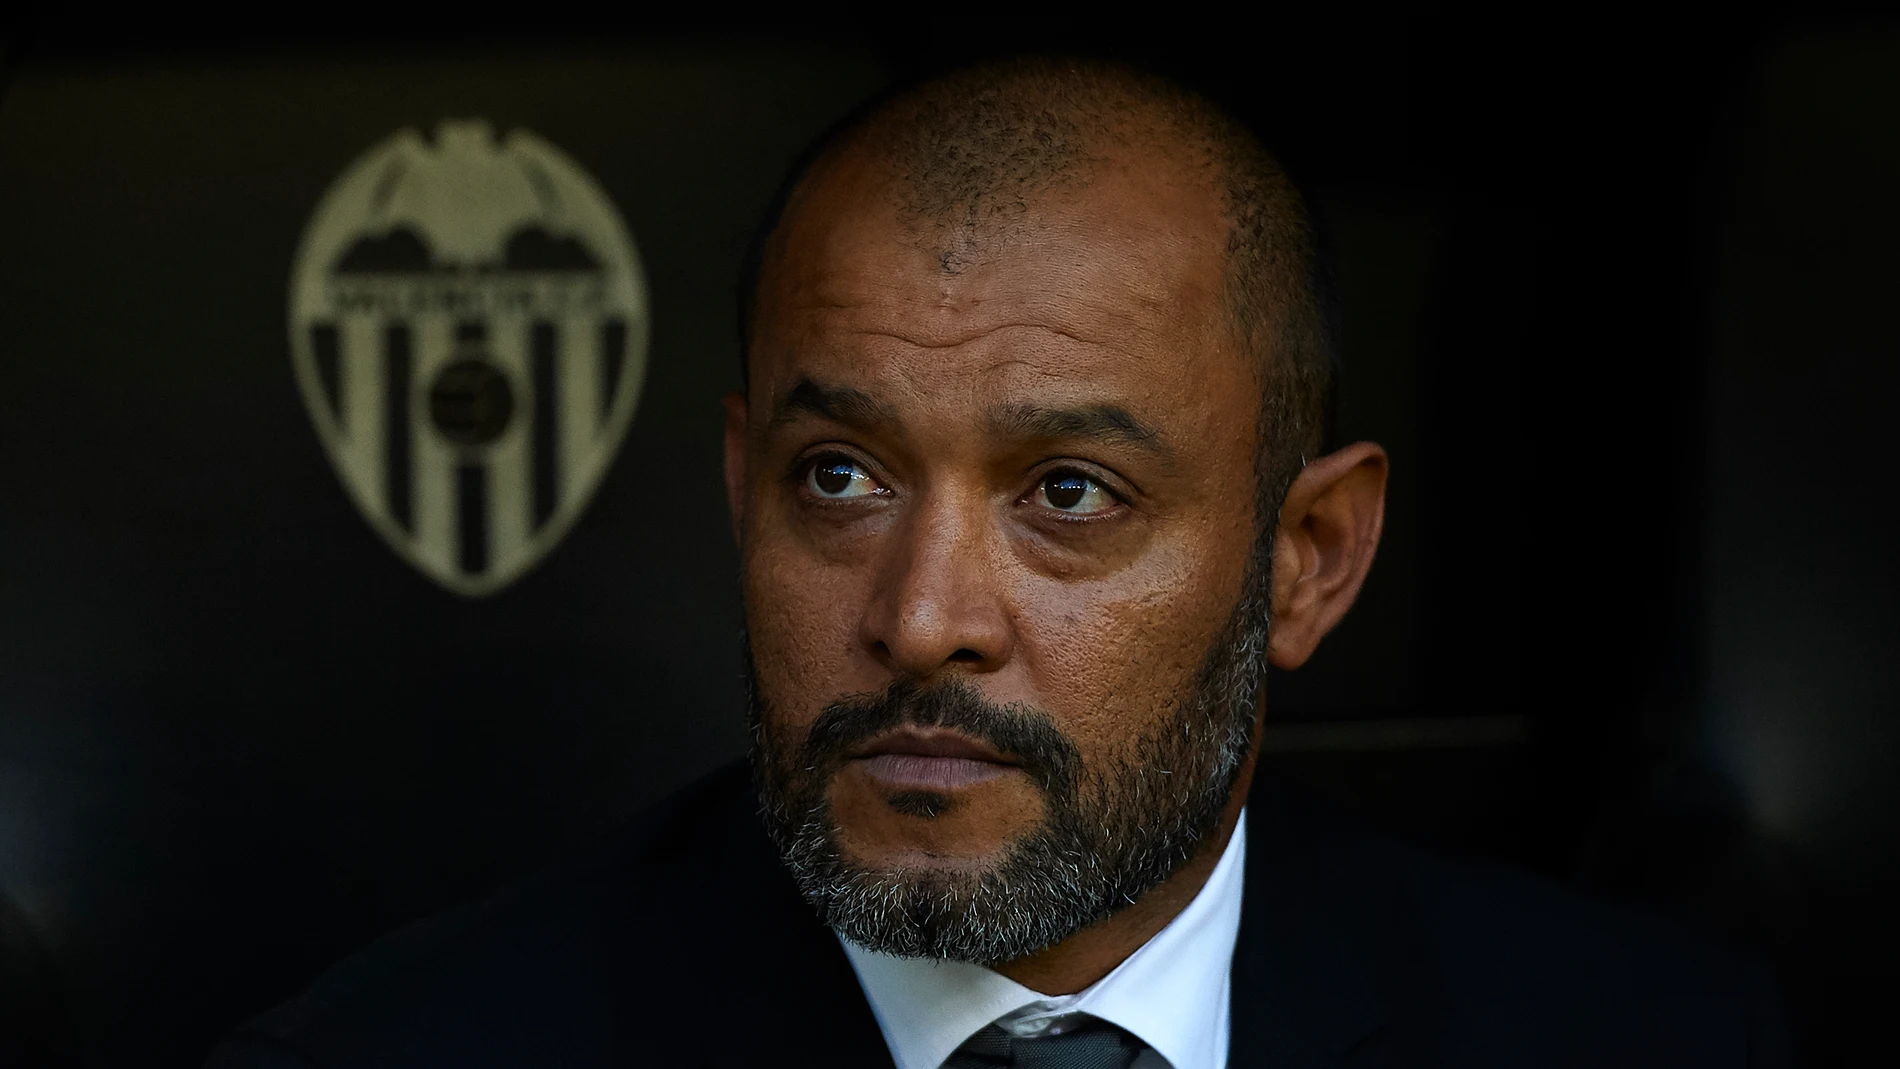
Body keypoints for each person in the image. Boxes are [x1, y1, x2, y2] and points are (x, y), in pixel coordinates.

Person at [206, 57, 1787, 1069]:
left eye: (1070, 494)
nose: (919, 619)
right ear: (742, 493)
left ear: (1308, 561)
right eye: (839, 478)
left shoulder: (1646, 1039)